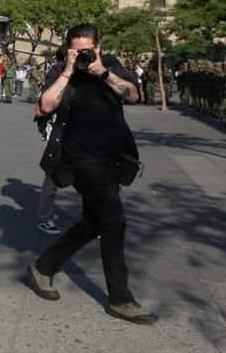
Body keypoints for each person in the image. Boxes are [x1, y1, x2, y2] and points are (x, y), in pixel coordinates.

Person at [25, 24, 156, 325]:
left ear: (98, 47)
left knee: (93, 222)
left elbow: (134, 95)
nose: (82, 54)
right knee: (114, 222)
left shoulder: (110, 65)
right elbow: (44, 106)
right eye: (76, 49)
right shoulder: (61, 69)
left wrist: (102, 72)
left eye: (87, 49)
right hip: (79, 159)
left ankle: (43, 268)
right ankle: (120, 298)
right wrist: (69, 71)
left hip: (113, 158)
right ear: (69, 49)